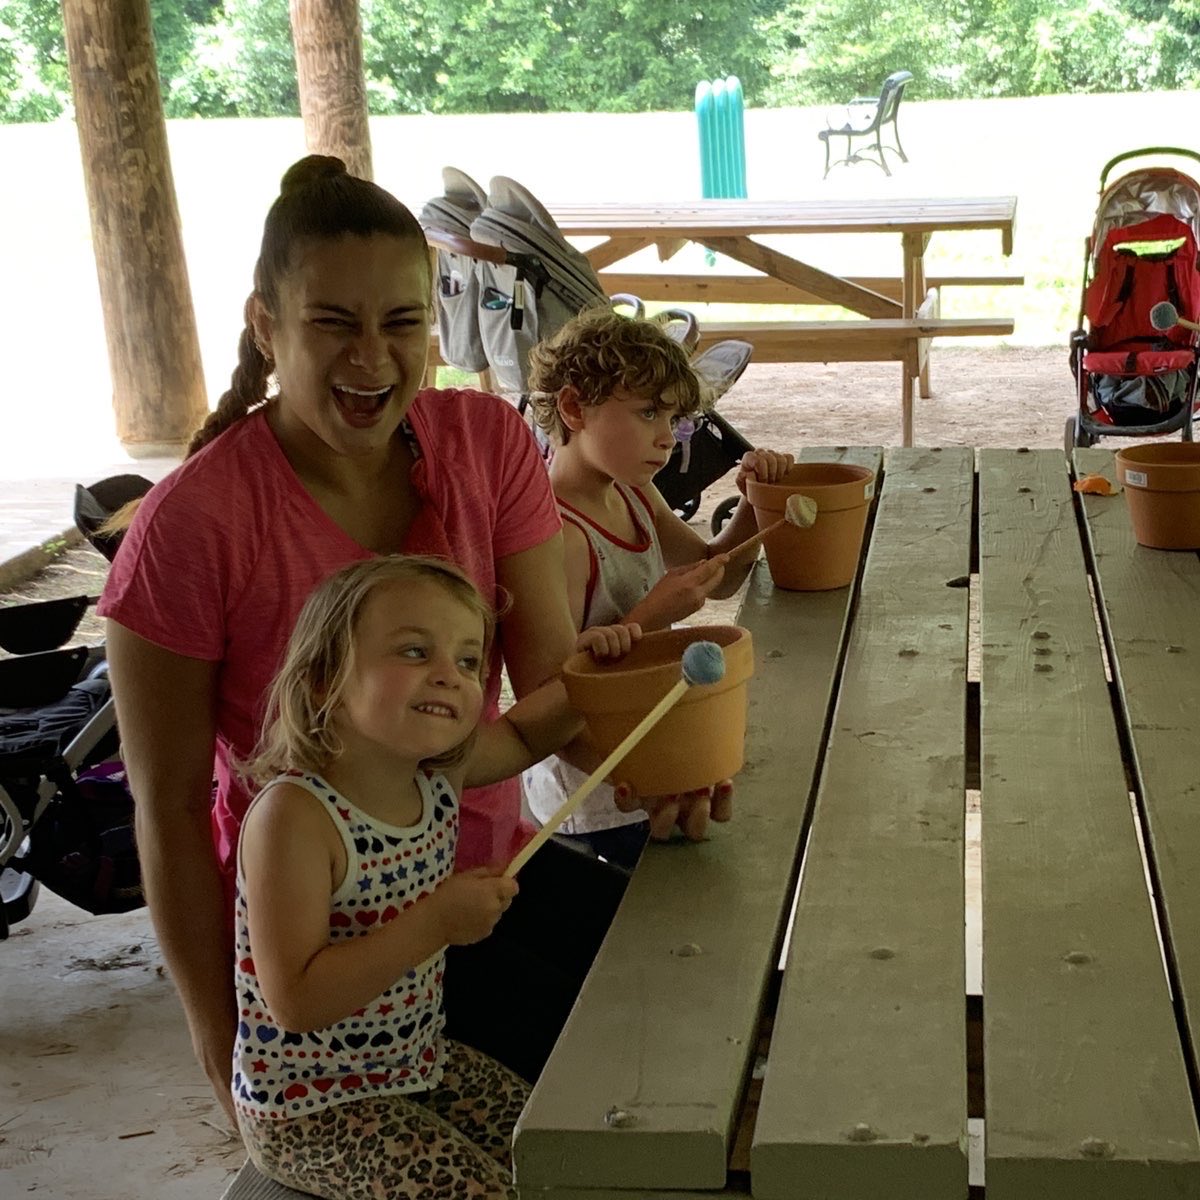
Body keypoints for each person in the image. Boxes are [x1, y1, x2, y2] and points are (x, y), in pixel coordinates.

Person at [100, 154, 718, 1114]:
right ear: (265, 326)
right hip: (332, 937)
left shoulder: (486, 445)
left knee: (694, 995)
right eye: (332, 324)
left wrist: (660, 772)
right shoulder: (190, 525)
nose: (372, 359)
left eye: (401, 323)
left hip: (488, 872)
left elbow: (554, 691)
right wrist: (222, 1045)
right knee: (611, 1091)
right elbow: (171, 808)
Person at [232, 554, 636, 1198]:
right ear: (322, 679)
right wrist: (434, 924)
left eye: (469, 661)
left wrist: (592, 672)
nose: (450, 675)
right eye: (415, 652)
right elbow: (296, 1002)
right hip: (312, 1108)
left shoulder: (434, 777)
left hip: (420, 1064)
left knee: (575, 1161)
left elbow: (525, 736)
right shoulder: (295, 817)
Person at [522, 309, 794, 869]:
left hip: (653, 762)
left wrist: (753, 500)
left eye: (673, 417)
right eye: (648, 412)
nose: (667, 438)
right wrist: (648, 615)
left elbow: (718, 573)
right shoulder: (560, 536)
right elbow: (556, 699)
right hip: (595, 800)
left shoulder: (632, 492)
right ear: (573, 408)